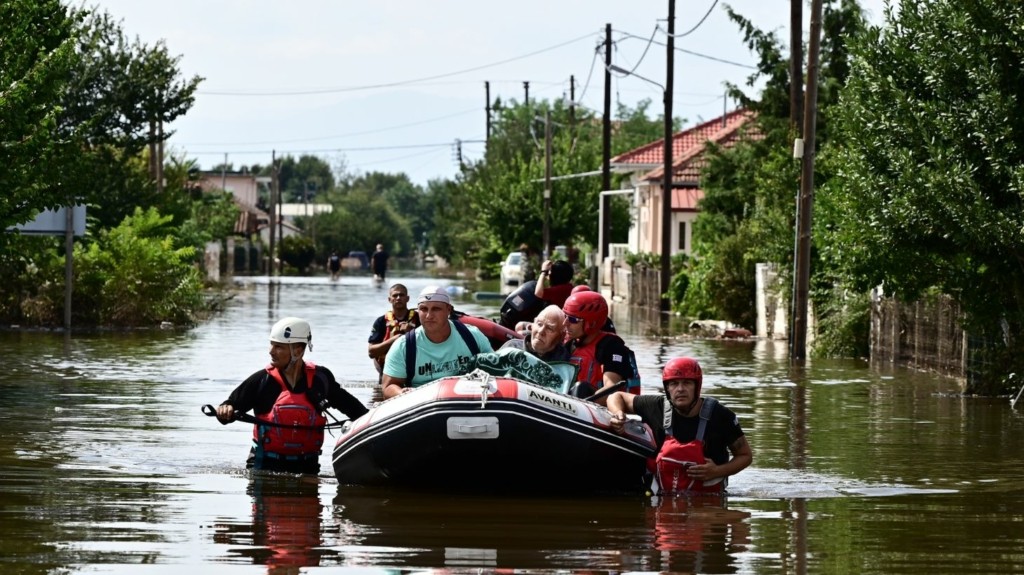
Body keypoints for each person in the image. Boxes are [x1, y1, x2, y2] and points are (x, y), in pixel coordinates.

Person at [215, 317, 368, 474]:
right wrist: (225, 410)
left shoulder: (320, 379)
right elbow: (230, 406)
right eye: (271, 345)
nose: (271, 351)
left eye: (279, 347)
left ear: (298, 351)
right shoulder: (262, 380)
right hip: (264, 465)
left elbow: (355, 410)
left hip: (307, 466)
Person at [606, 357, 752, 495]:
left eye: (687, 383)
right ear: (667, 388)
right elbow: (616, 396)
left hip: (708, 505)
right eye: (674, 384)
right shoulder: (656, 407)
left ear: (697, 386)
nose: (680, 389)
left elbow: (745, 456)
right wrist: (618, 413)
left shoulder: (721, 416)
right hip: (662, 501)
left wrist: (717, 471)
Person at [380, 285, 494, 398]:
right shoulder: (403, 346)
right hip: (422, 405)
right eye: (424, 309)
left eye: (436, 309)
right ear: (418, 311)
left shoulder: (472, 336)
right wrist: (401, 393)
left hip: (467, 400)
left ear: (448, 310)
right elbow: (388, 387)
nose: (429, 316)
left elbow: (495, 371)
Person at [562, 290, 639, 399]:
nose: (565, 323)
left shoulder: (612, 347)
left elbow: (611, 388)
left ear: (592, 323)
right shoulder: (569, 343)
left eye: (572, 319)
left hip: (598, 407)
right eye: (564, 316)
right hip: (569, 402)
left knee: (581, 389)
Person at [367, 283, 420, 384]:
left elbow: (430, 344)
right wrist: (394, 340)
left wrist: (411, 334)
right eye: (395, 295)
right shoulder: (381, 321)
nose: (398, 298)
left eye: (401, 295)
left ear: (407, 298)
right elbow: (371, 352)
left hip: (414, 369)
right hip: (388, 370)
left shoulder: (419, 319)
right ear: (389, 299)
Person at [500, 304, 571, 362]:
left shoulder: (563, 360)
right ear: (533, 325)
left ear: (561, 336)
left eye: (549, 328)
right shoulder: (511, 348)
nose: (541, 331)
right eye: (539, 324)